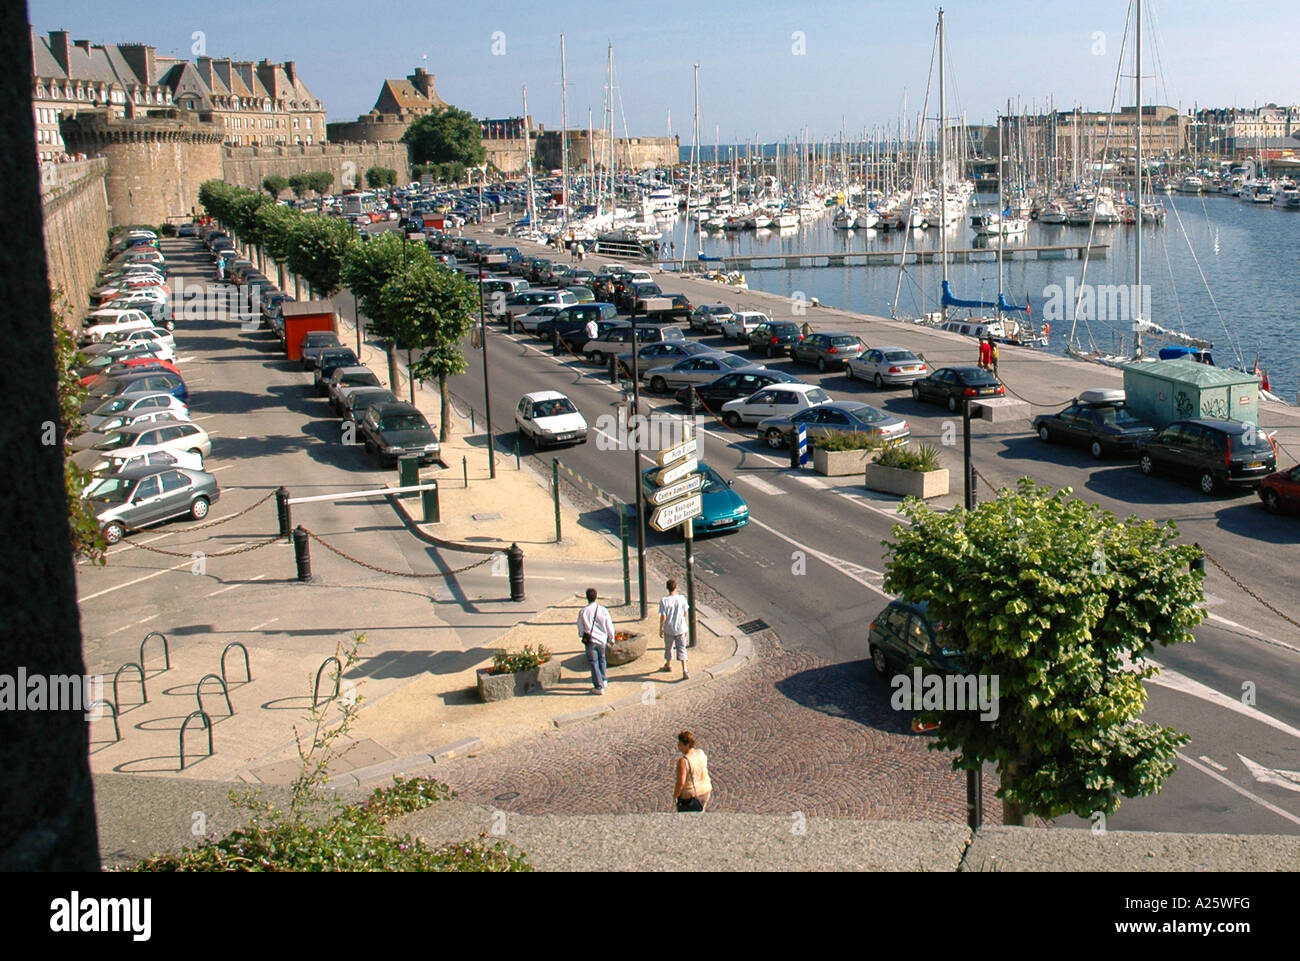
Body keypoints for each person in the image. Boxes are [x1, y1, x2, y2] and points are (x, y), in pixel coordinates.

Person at [576, 588, 615, 694]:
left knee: (594, 663)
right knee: (602, 659)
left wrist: (582, 635)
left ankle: (599, 686)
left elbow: (580, 626)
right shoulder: (602, 610)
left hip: (591, 640)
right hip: (602, 639)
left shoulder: (583, 611)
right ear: (596, 596)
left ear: (587, 597)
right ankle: (604, 679)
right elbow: (609, 625)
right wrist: (612, 638)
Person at [657, 578, 690, 679]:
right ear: (676, 587)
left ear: (667, 588)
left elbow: (663, 616)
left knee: (669, 647)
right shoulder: (682, 599)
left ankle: (668, 664)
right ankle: (684, 669)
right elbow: (685, 612)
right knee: (682, 648)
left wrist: (661, 628)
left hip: (669, 628)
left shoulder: (664, 601)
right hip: (681, 628)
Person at [673, 731, 712, 812]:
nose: (678, 746)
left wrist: (675, 796)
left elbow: (681, 782)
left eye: (680, 743)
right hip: (705, 790)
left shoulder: (684, 761)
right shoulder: (701, 753)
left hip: (691, 796)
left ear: (687, 745)